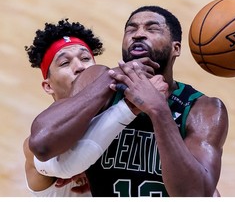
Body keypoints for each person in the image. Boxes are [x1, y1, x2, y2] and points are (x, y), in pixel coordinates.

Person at [28, 6, 228, 197]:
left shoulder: (202, 108)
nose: (138, 34)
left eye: (152, 29)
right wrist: (114, 77)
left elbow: (196, 194)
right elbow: (42, 144)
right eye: (131, 29)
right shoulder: (97, 78)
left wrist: (158, 111)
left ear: (176, 48)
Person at [23, 18, 164, 196]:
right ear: (48, 86)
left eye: (85, 58)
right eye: (65, 63)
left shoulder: (125, 129)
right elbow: (69, 164)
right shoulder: (31, 146)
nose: (80, 67)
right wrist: (129, 105)